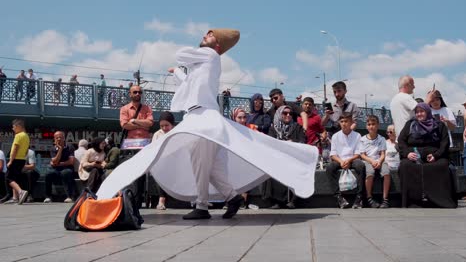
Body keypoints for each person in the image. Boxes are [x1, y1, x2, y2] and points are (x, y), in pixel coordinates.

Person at [97, 29, 318, 221]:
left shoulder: (210, 55)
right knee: (210, 167)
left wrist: (183, 63)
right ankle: (231, 198)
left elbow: (180, 54)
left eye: (210, 35)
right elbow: (190, 84)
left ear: (218, 45)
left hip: (202, 119)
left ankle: (202, 206)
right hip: (200, 118)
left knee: (188, 161)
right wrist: (179, 73)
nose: (205, 36)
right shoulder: (205, 64)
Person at [398, 103, 457, 208]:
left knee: (442, 165)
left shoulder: (439, 125)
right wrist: (407, 153)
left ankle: (437, 200)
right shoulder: (410, 124)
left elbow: (444, 143)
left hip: (434, 156)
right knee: (405, 166)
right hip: (414, 156)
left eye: (422, 111)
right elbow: (401, 141)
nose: (419, 114)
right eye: (417, 112)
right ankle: (413, 202)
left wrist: (436, 155)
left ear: (428, 112)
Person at [266, 105, 306, 209]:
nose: (288, 115)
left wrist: (293, 142)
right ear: (279, 114)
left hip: (294, 158)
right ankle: (277, 201)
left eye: (290, 113)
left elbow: (303, 141)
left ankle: (293, 200)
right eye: (285, 113)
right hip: (278, 158)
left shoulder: (298, 127)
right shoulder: (273, 128)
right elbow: (270, 143)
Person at [326, 112, 365, 209]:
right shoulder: (335, 136)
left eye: (346, 121)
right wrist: (341, 161)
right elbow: (333, 154)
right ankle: (339, 197)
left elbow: (358, 153)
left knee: (360, 165)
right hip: (340, 160)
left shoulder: (357, 135)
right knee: (329, 167)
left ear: (351, 122)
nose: (344, 123)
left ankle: (359, 197)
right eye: (342, 121)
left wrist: (348, 160)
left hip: (353, 159)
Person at [359, 115, 391, 208]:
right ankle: (369, 197)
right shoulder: (363, 139)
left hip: (379, 160)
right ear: (366, 126)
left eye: (373, 124)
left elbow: (383, 154)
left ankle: (385, 199)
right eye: (369, 124)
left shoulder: (381, 139)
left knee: (386, 173)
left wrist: (379, 162)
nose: (371, 126)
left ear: (378, 125)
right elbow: (362, 155)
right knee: (370, 173)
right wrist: (372, 161)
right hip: (368, 161)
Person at [151, 111, 176, 210]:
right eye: (162, 126)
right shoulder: (157, 134)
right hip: (162, 162)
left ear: (172, 124)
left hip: (176, 162)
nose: (164, 128)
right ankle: (161, 200)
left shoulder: (177, 132)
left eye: (167, 125)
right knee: (160, 171)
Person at [44, 131, 75, 203]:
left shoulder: (70, 147)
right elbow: (54, 161)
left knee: (66, 172)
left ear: (64, 138)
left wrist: (58, 164)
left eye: (60, 137)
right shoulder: (52, 148)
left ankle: (69, 196)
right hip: (56, 170)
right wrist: (60, 149)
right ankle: (48, 196)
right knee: (48, 174)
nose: (58, 139)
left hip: (67, 168)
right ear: (54, 139)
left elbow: (71, 162)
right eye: (57, 138)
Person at [4, 119, 30, 205]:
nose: (13, 128)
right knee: (15, 178)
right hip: (22, 160)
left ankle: (20, 192)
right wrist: (24, 159)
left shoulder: (18, 135)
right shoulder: (26, 136)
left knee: (8, 178)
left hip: (15, 159)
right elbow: (26, 150)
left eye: (14, 127)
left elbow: (15, 148)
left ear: (18, 126)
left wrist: (10, 161)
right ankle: (15, 198)